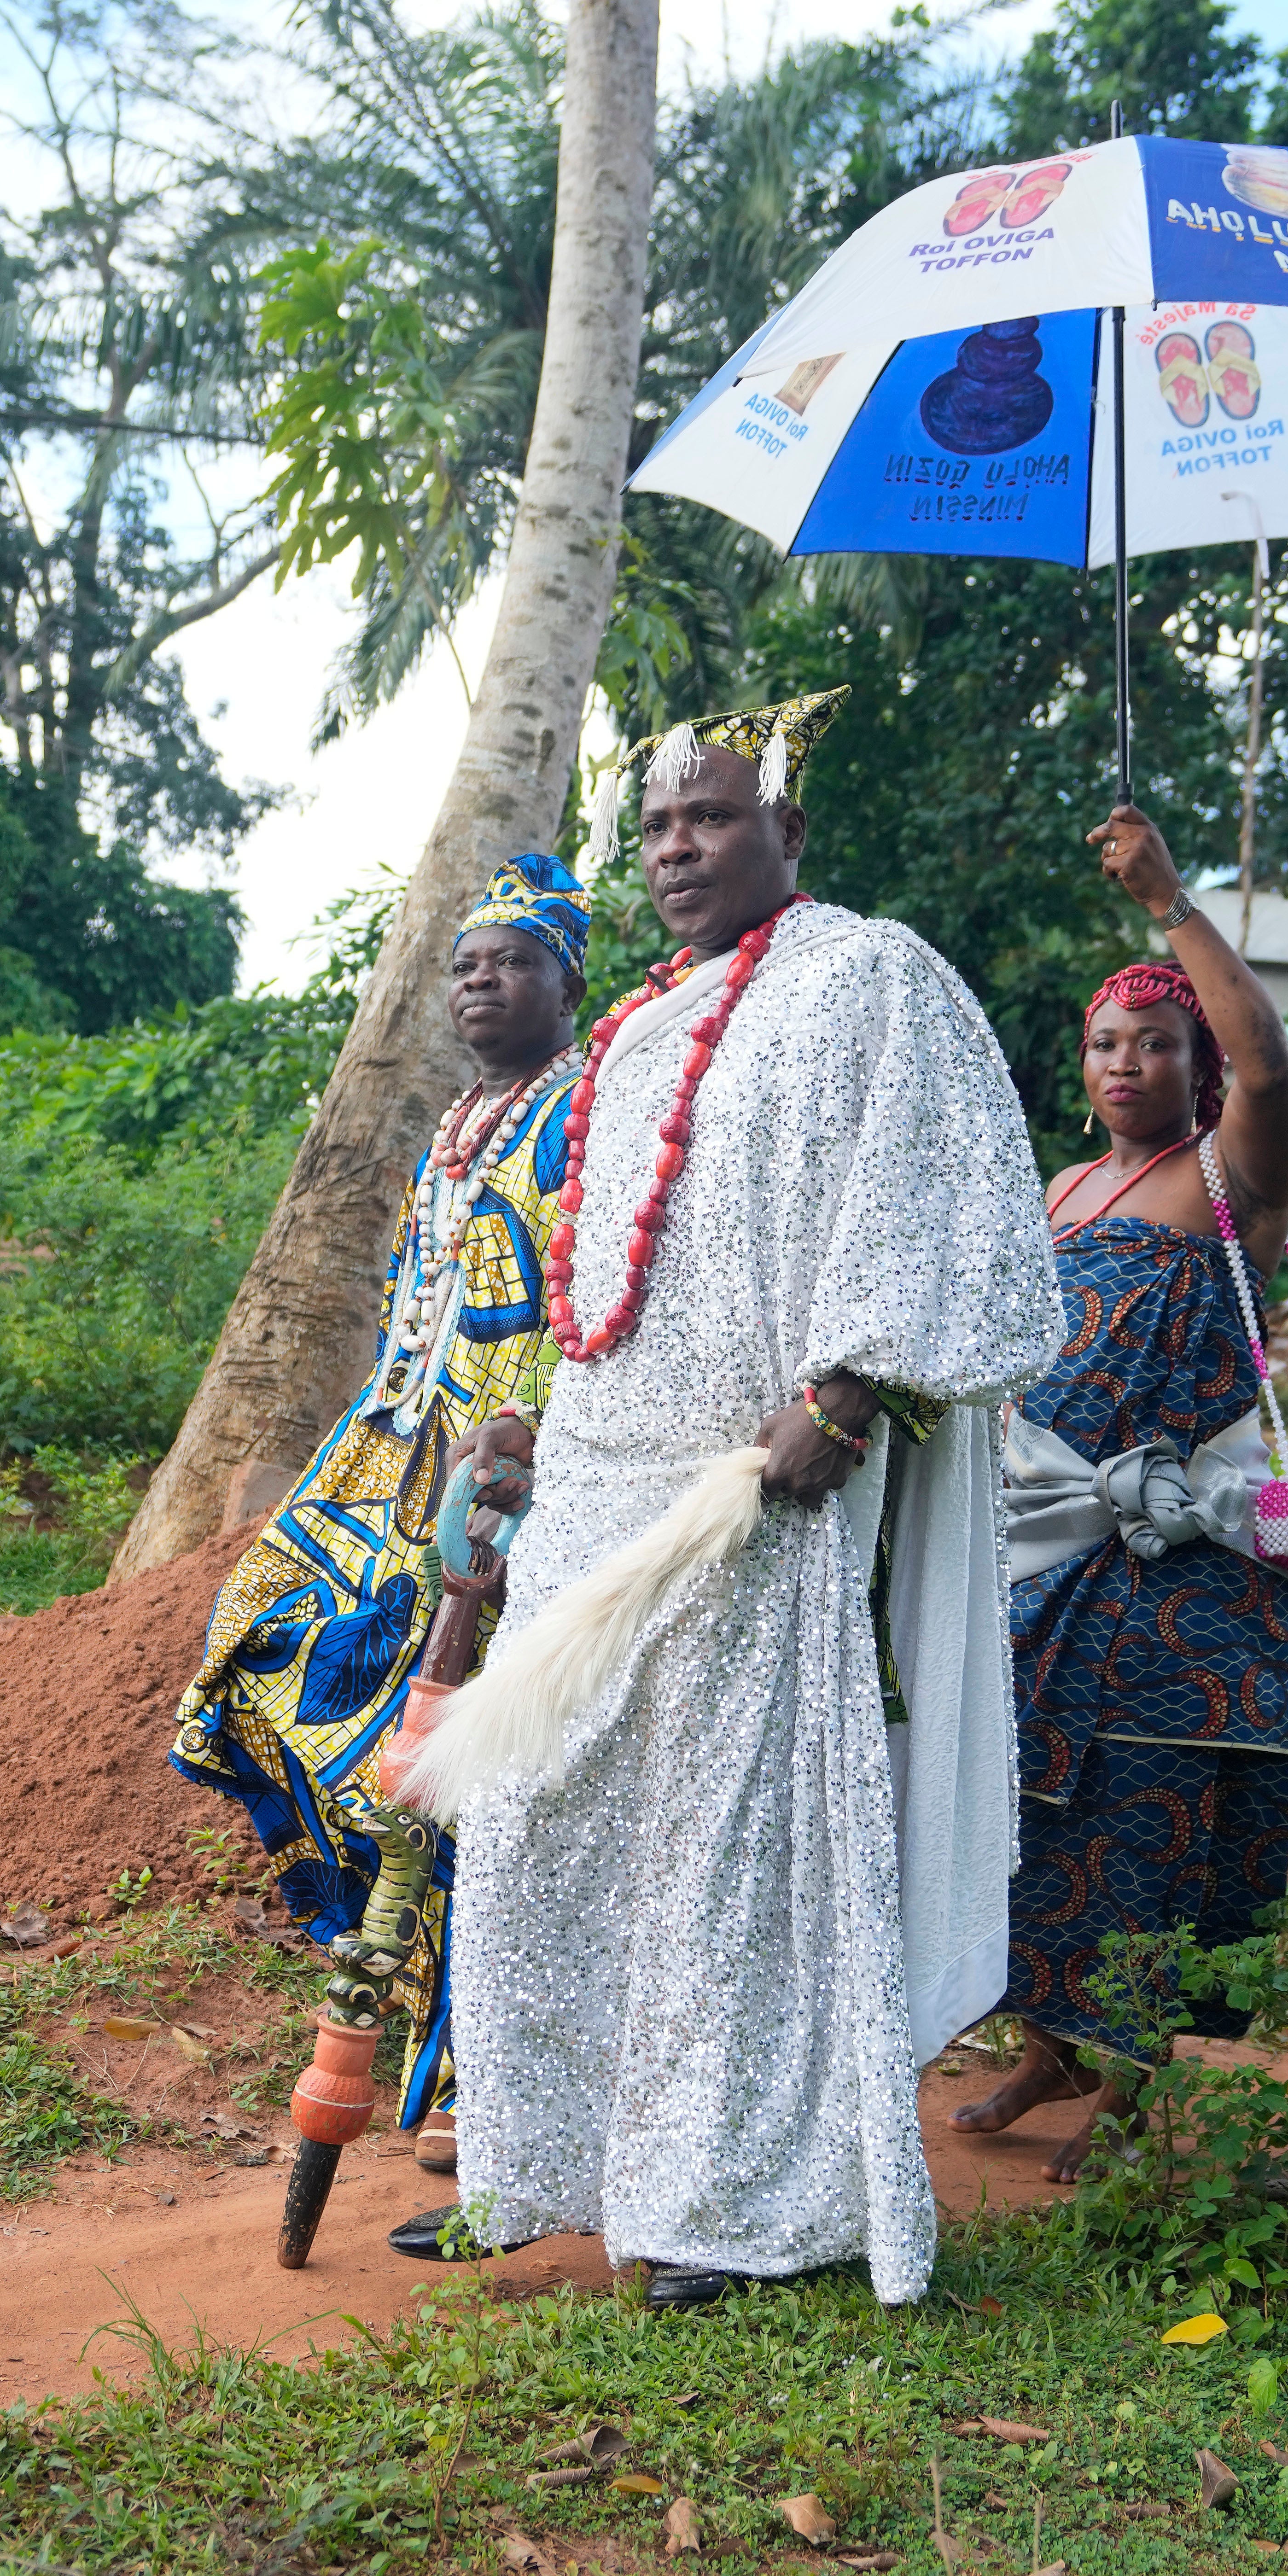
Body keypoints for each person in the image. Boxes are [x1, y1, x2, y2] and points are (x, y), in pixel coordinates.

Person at [412, 687, 1062, 2310]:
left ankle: (724, 2206)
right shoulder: (630, 1025)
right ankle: (556, 2163)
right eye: (654, 827)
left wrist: (852, 1389)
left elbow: (949, 1197)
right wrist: (541, 1431)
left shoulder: (875, 980)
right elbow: (607, 1274)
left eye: (709, 815)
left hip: (749, 1500)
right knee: (542, 1820)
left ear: (792, 830)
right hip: (597, 1486)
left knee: (719, 1852)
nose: (677, 848)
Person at [166, 855, 593, 2156]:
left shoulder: (589, 1115)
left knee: (472, 1759)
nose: (480, 982)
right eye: (466, 964)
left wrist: (520, 1476)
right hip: (392, 1450)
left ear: (569, 981)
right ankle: (410, 2008)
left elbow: (579, 1305)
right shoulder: (460, 1123)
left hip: (509, 1468)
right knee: (267, 1639)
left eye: (511, 961)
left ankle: (482, 2076)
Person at [952, 806, 1288, 2182]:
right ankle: (1046, 2043)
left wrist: (1170, 905)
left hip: (1182, 1565)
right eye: (1107, 1042)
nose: (1126, 1063)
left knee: (1151, 1812)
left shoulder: (1232, 1178)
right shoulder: (1066, 1188)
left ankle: (1133, 2080)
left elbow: (1271, 1064)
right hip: (1048, 1547)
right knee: (1037, 1800)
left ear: (1195, 1060)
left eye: (1156, 1042)